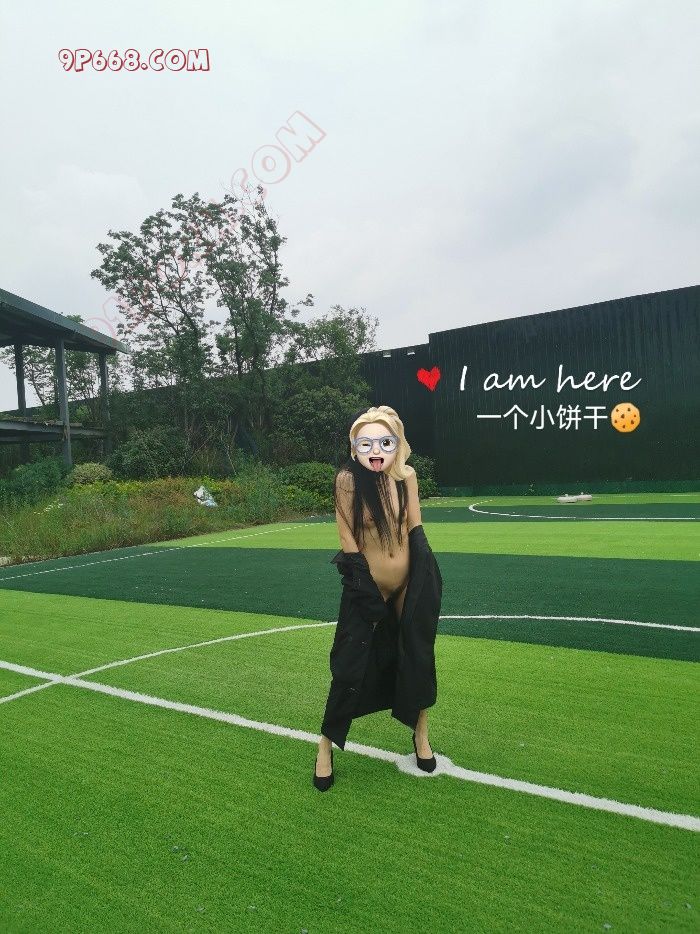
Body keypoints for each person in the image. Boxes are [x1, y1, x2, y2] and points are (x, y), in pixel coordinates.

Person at [313, 405, 442, 790]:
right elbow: (347, 539)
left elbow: (415, 528)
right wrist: (365, 590)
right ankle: (325, 746)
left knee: (418, 658)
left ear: (396, 443)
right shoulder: (347, 481)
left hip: (408, 584)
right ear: (355, 446)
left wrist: (427, 578)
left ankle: (421, 734)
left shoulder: (406, 477)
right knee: (348, 664)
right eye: (366, 443)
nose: (375, 450)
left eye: (384, 442)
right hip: (365, 585)